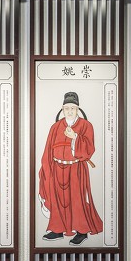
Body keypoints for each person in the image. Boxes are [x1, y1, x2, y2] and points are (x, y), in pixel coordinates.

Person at [39, 91, 103, 246]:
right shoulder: (55, 127)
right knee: (57, 199)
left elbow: (90, 148)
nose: (69, 111)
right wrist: (46, 169)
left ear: (78, 109)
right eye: (66, 108)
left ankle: (82, 231)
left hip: (76, 168)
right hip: (57, 168)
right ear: (62, 109)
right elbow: (48, 150)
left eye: (72, 108)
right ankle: (57, 229)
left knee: (77, 200)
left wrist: (75, 137)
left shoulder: (86, 125)